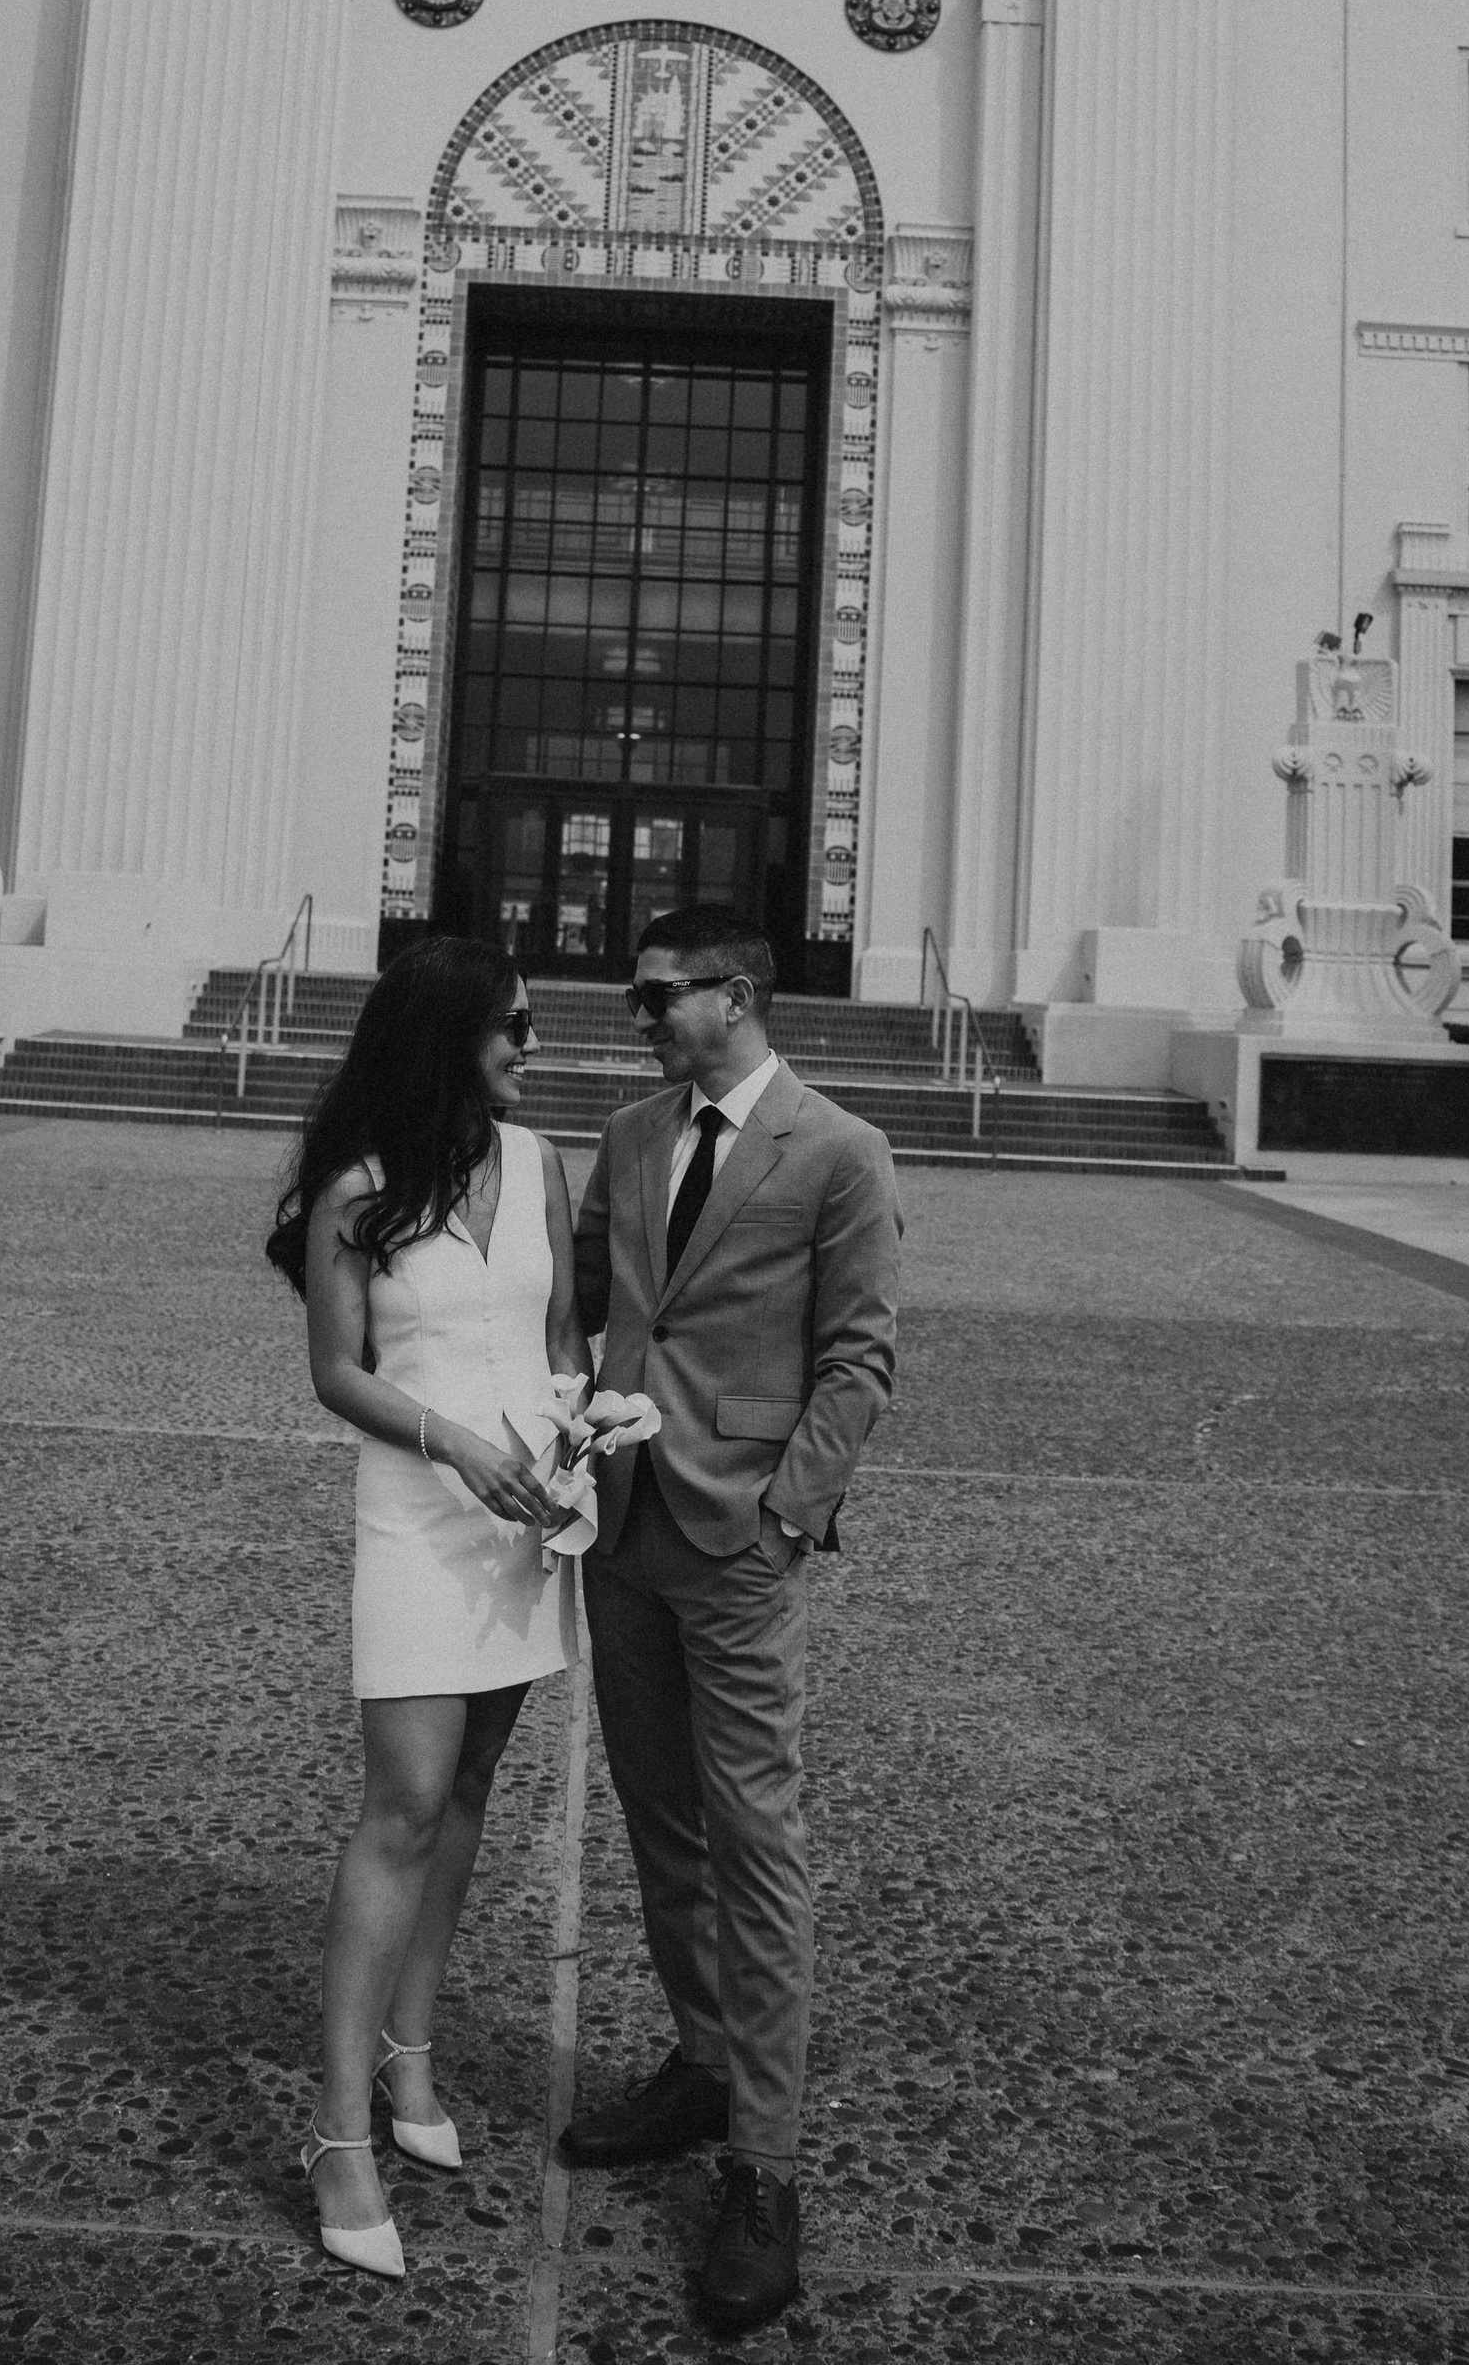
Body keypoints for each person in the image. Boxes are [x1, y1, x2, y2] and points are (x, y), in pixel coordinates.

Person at [562, 904, 901, 2331]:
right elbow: (579, 1293)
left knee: (758, 1843)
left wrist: (787, 1514)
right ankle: (703, 2062)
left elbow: (861, 1356)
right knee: (662, 1823)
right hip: (624, 1531)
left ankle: (764, 2164)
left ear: (737, 996)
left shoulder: (839, 1150)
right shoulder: (633, 1135)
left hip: (742, 1541)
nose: (639, 1019)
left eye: (658, 997)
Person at [267, 936, 585, 2279]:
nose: (532, 1045)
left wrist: (577, 1443)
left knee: (468, 1792)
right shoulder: (359, 1187)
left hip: (525, 1518)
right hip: (416, 1509)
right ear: (446, 1036)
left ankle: (412, 2053)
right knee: (401, 1804)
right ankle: (338, 2135)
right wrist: (452, 1441)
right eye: (513, 1024)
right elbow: (337, 1373)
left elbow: (561, 1338)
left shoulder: (542, 1162)